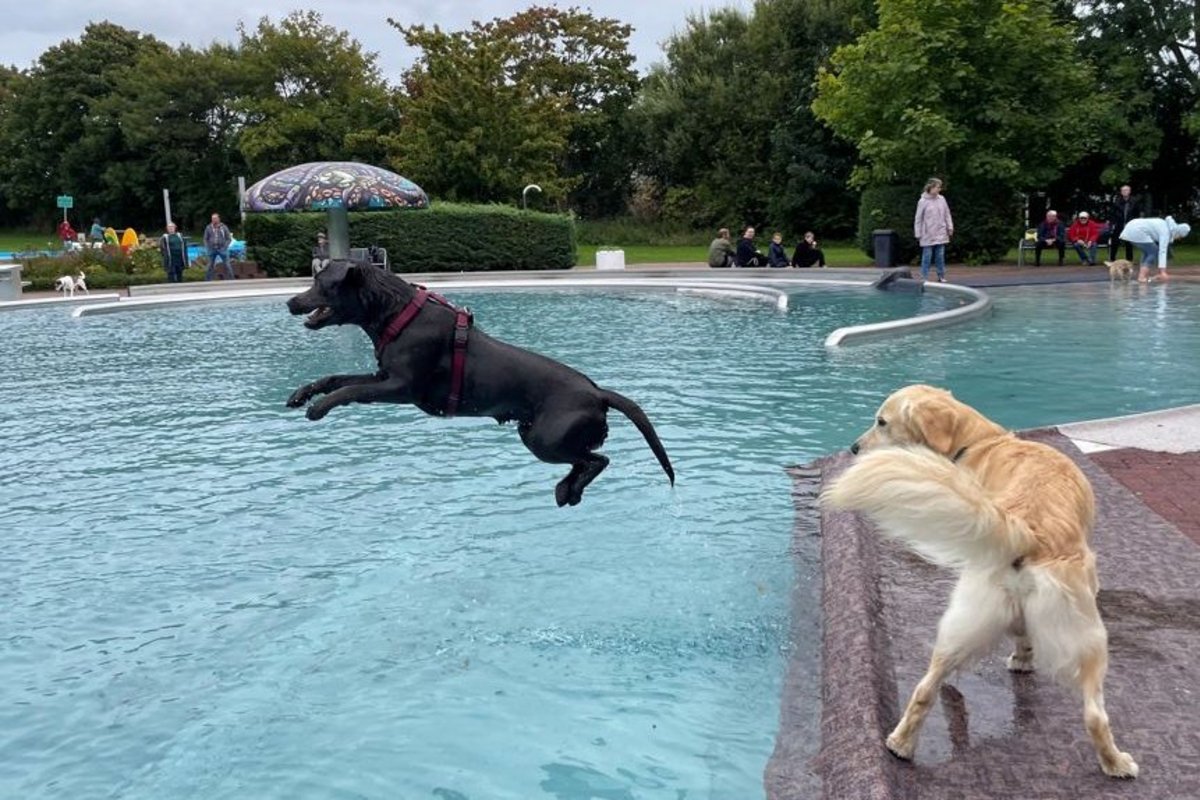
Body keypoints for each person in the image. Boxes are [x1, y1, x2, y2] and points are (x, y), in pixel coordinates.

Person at [1119, 215, 1191, 282]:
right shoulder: (1166, 232)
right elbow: (1162, 251)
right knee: (1154, 251)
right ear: (1178, 232)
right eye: (1180, 237)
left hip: (1131, 227)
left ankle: (1142, 275)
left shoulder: (1165, 225)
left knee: (1148, 251)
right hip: (1136, 231)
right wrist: (1163, 272)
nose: (1179, 239)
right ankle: (1141, 277)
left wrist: (1161, 271)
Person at [914, 177, 953, 281]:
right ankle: (924, 277)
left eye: (940, 187)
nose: (939, 189)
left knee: (940, 256)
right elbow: (918, 218)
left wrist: (950, 227)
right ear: (931, 187)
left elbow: (947, 213)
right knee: (927, 256)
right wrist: (918, 233)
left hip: (940, 231)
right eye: (937, 187)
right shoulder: (922, 201)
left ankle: (941, 276)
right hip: (927, 232)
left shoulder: (942, 199)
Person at [1108, 184, 1141, 261]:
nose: (1124, 192)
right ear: (1121, 192)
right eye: (1123, 190)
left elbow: (1137, 213)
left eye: (1126, 190)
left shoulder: (1134, 201)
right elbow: (1112, 213)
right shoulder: (1117, 201)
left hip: (1130, 224)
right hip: (1118, 223)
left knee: (1128, 243)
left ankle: (1129, 260)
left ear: (1129, 191)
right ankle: (1112, 259)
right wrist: (1112, 223)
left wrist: (1135, 223)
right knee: (1115, 241)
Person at [203, 212, 235, 280]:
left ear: (218, 219)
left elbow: (228, 238)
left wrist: (225, 247)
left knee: (227, 265)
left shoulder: (224, 227)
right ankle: (208, 280)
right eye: (212, 218)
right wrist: (207, 247)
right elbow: (205, 238)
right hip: (212, 249)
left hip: (222, 249)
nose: (214, 220)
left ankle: (231, 279)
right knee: (210, 266)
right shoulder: (208, 227)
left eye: (215, 218)